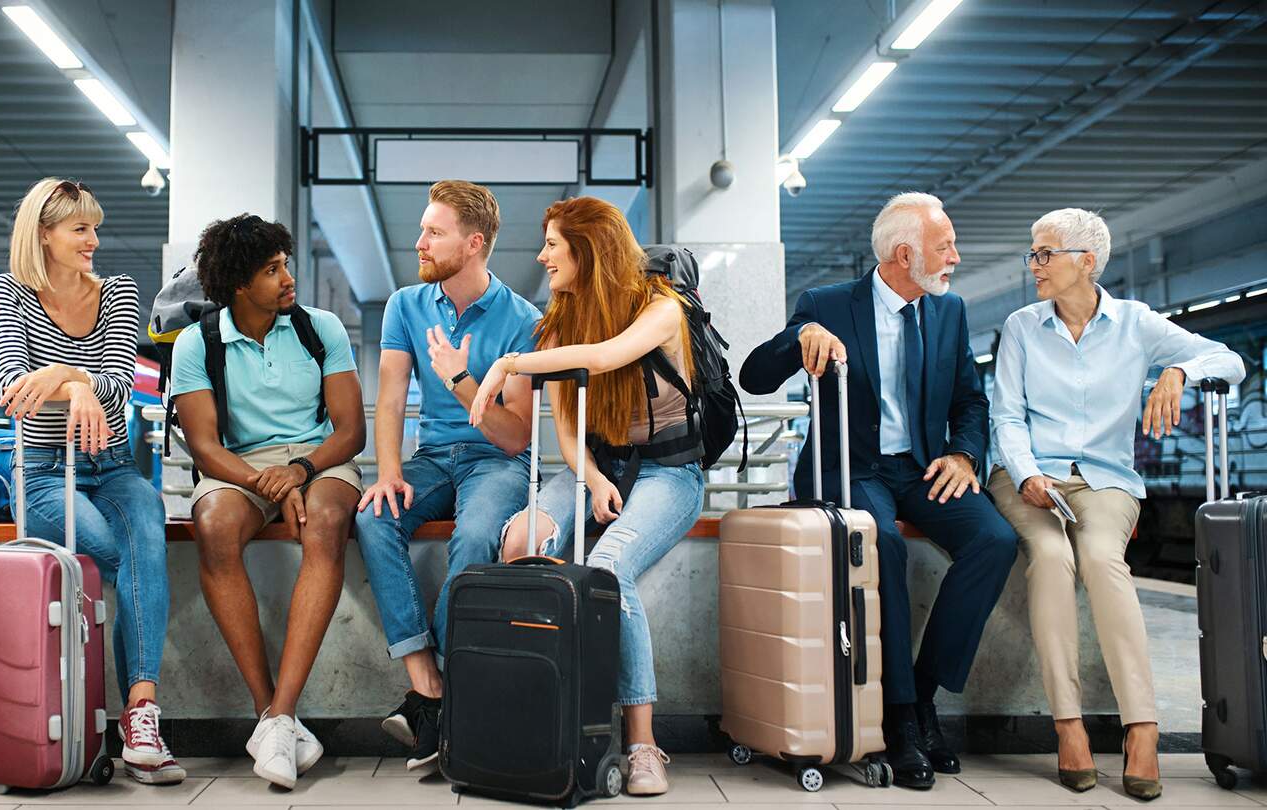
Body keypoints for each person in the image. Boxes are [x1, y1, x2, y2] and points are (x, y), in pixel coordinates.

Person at [739, 192, 1018, 790]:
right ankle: (900, 721)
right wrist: (800, 335)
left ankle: (921, 694)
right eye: (944, 247)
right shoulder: (828, 305)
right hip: (850, 468)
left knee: (994, 539)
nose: (955, 257)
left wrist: (965, 453)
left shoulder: (949, 311)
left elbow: (971, 399)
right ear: (903, 254)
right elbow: (753, 375)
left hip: (922, 468)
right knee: (880, 547)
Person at [989, 208, 1245, 800]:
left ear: (1086, 262)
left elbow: (1229, 360)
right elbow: (1006, 416)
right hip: (1029, 478)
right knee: (1051, 559)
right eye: (1034, 253)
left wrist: (1178, 370)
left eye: (1044, 253)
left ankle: (1143, 728)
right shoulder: (1022, 327)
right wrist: (1026, 474)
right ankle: (1068, 726)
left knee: (1103, 560)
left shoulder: (1137, 324)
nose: (1034, 265)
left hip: (1105, 481)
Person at [469, 196, 705, 796]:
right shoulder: (561, 320)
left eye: (553, 244)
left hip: (668, 473)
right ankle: (532, 722)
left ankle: (643, 744)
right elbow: (569, 434)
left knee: (608, 565)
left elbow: (602, 359)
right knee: (522, 539)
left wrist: (511, 364)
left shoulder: (664, 309)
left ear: (588, 249)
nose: (542, 255)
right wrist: (595, 479)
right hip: (602, 468)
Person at [0, 177, 183, 785]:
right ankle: (111, 720)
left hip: (113, 468)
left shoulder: (119, 292)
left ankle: (141, 712)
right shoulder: (10, 296)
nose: (93, 240)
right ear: (43, 235)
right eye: (80, 229)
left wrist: (64, 380)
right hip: (45, 473)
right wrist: (77, 382)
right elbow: (15, 390)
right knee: (114, 553)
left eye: (95, 227)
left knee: (145, 527)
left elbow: (122, 384)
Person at [171, 214, 366, 789]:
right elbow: (205, 448)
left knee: (326, 521)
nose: (288, 279)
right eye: (271, 270)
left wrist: (300, 471)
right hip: (240, 466)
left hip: (318, 458)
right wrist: (267, 484)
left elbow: (350, 431)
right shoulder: (196, 342)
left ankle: (281, 713)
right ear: (238, 285)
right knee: (212, 525)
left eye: (285, 264)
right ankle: (272, 715)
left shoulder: (320, 328)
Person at [355, 180, 540, 770]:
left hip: (497, 461)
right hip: (432, 459)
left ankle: (437, 701)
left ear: (474, 243)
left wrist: (463, 382)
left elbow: (516, 435)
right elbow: (388, 401)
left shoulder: (524, 320)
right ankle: (429, 684)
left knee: (477, 534)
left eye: (434, 232)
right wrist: (387, 472)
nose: (420, 242)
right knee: (373, 515)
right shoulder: (406, 305)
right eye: (423, 229)